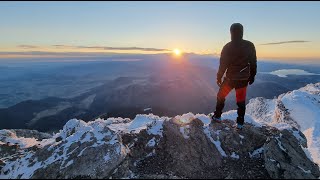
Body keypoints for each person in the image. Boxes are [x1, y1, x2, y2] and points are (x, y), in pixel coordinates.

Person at [210, 23, 257, 130]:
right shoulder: (249, 45)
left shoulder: (227, 46)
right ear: (242, 32)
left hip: (230, 79)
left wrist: (219, 77)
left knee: (220, 96)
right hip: (243, 79)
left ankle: (217, 116)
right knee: (240, 101)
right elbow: (253, 62)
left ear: (231, 32)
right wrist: (252, 75)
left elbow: (223, 64)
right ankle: (240, 123)